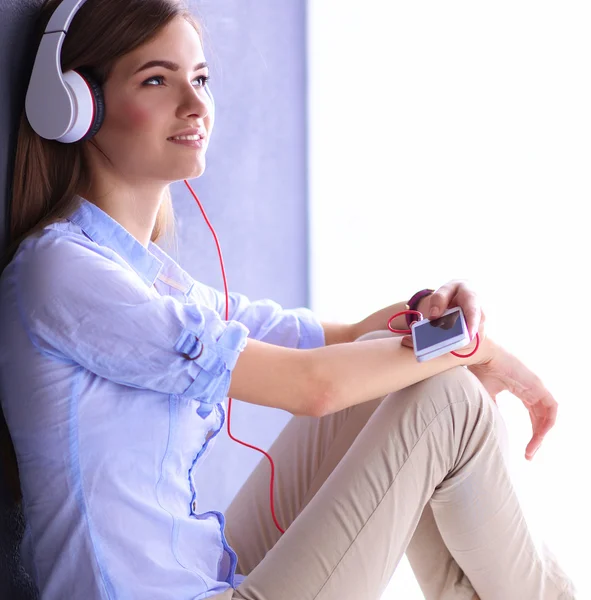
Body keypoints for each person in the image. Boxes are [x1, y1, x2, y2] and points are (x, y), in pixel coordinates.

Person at [0, 0, 577, 598]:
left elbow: (348, 340)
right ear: (76, 107)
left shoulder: (151, 280)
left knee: (412, 373)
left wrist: (441, 312)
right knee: (448, 400)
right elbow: (314, 387)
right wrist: (474, 351)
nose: (196, 105)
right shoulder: (63, 271)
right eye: (156, 79)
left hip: (205, 580)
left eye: (200, 78)